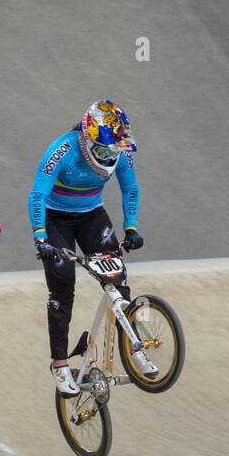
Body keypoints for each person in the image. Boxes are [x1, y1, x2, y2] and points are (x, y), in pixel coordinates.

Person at [29, 100, 143, 395]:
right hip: (56, 220)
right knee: (63, 286)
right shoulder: (62, 151)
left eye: (114, 150)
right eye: (105, 150)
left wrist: (131, 227)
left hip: (91, 215)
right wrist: (41, 238)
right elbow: (37, 195)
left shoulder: (119, 151)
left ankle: (134, 347)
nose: (110, 156)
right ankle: (60, 364)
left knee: (117, 279)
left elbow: (130, 188)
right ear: (88, 139)